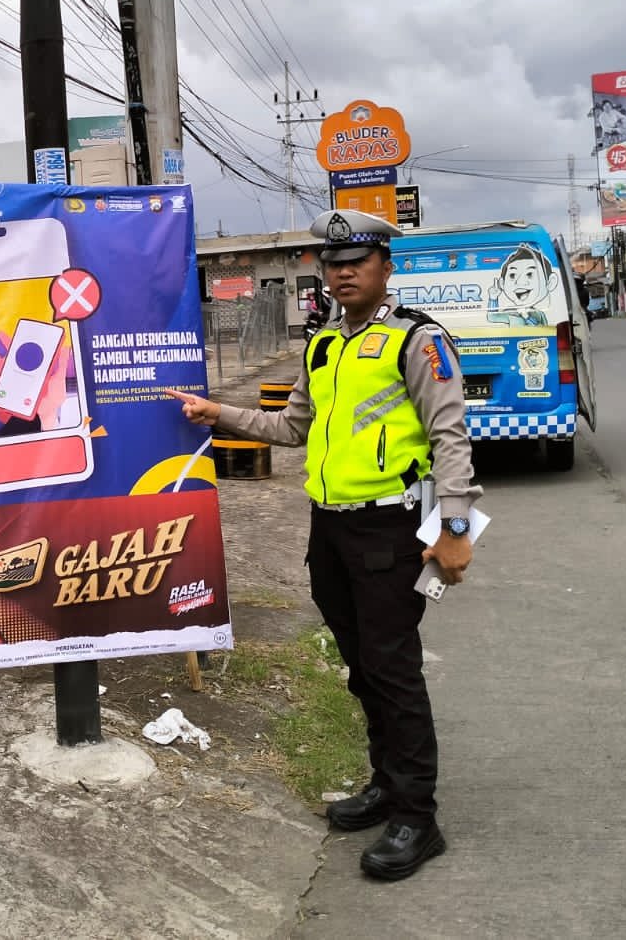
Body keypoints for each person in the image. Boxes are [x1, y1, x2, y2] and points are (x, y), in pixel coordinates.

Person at [165, 209, 480, 882]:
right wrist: (218, 413)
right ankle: (386, 784)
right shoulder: (324, 345)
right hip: (330, 528)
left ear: (384, 265)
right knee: (363, 666)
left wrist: (455, 530)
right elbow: (292, 428)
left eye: (355, 261)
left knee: (393, 671)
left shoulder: (417, 341)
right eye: (331, 263)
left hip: (392, 529)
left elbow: (451, 438)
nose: (340, 272)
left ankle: (418, 818)